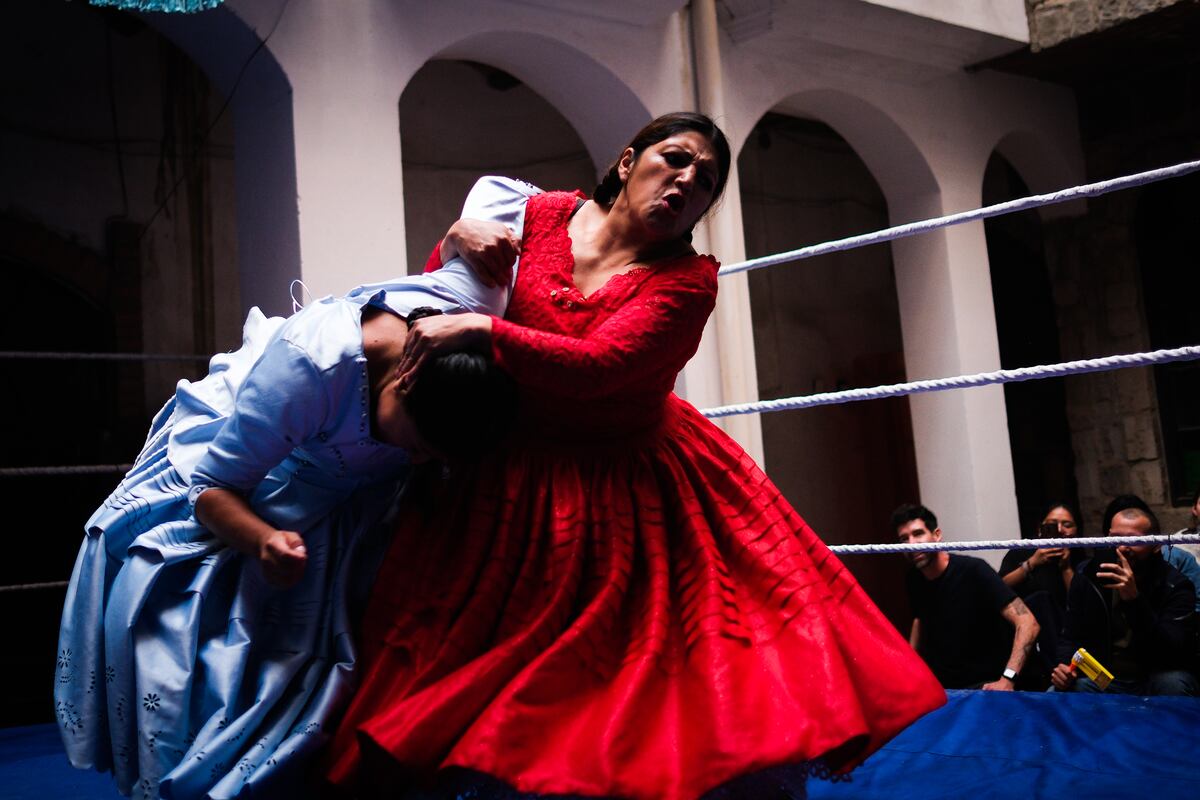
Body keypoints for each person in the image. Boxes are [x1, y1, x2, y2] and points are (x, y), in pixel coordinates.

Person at [325, 113, 946, 800]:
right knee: (452, 674)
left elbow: (600, 364)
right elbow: (451, 293)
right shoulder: (541, 214)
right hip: (504, 472)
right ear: (626, 163)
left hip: (626, 483)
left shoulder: (689, 282)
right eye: (674, 159)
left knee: (639, 691)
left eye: (706, 180)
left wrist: (483, 331)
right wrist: (455, 236)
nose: (687, 180)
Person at [53, 178, 531, 800]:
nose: (415, 460)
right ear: (405, 384)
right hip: (240, 487)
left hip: (335, 504)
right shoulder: (314, 366)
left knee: (323, 678)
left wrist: (456, 237)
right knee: (188, 662)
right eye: (415, 445)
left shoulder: (473, 320)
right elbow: (212, 487)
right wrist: (262, 540)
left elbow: (507, 194)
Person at [1050, 502, 1199, 695]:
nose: (1122, 547)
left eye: (1133, 540)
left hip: (1154, 674)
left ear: (1156, 545)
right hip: (1103, 676)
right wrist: (1063, 668)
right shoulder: (1088, 576)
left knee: (1175, 683)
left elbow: (1171, 652)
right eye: (1115, 538)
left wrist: (1134, 600)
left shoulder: (1176, 585)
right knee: (1056, 695)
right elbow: (1070, 636)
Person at [895, 503, 1040, 690]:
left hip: (987, 686)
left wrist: (1008, 678)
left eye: (918, 534)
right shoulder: (914, 579)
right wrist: (910, 671)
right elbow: (919, 620)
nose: (911, 544)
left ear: (937, 535)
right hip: (949, 690)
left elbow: (1028, 622)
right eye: (904, 539)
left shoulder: (974, 570)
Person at [997, 502, 1086, 685]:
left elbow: (1079, 607)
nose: (1060, 530)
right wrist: (1031, 563)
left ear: (1076, 530)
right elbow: (999, 588)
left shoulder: (1081, 559)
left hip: (1062, 639)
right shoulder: (1021, 551)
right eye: (1052, 524)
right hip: (1022, 636)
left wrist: (1066, 568)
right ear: (1040, 528)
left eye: (1067, 525)